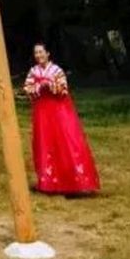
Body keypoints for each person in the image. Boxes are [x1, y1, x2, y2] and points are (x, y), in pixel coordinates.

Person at [24, 43, 100, 195]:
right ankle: (49, 183)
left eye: (41, 52)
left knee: (67, 141)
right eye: (36, 53)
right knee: (45, 142)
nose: (38, 55)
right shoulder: (33, 71)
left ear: (48, 53)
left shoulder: (57, 70)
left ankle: (75, 181)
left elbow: (63, 89)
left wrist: (50, 85)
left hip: (59, 111)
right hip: (42, 113)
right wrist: (39, 87)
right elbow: (27, 89)